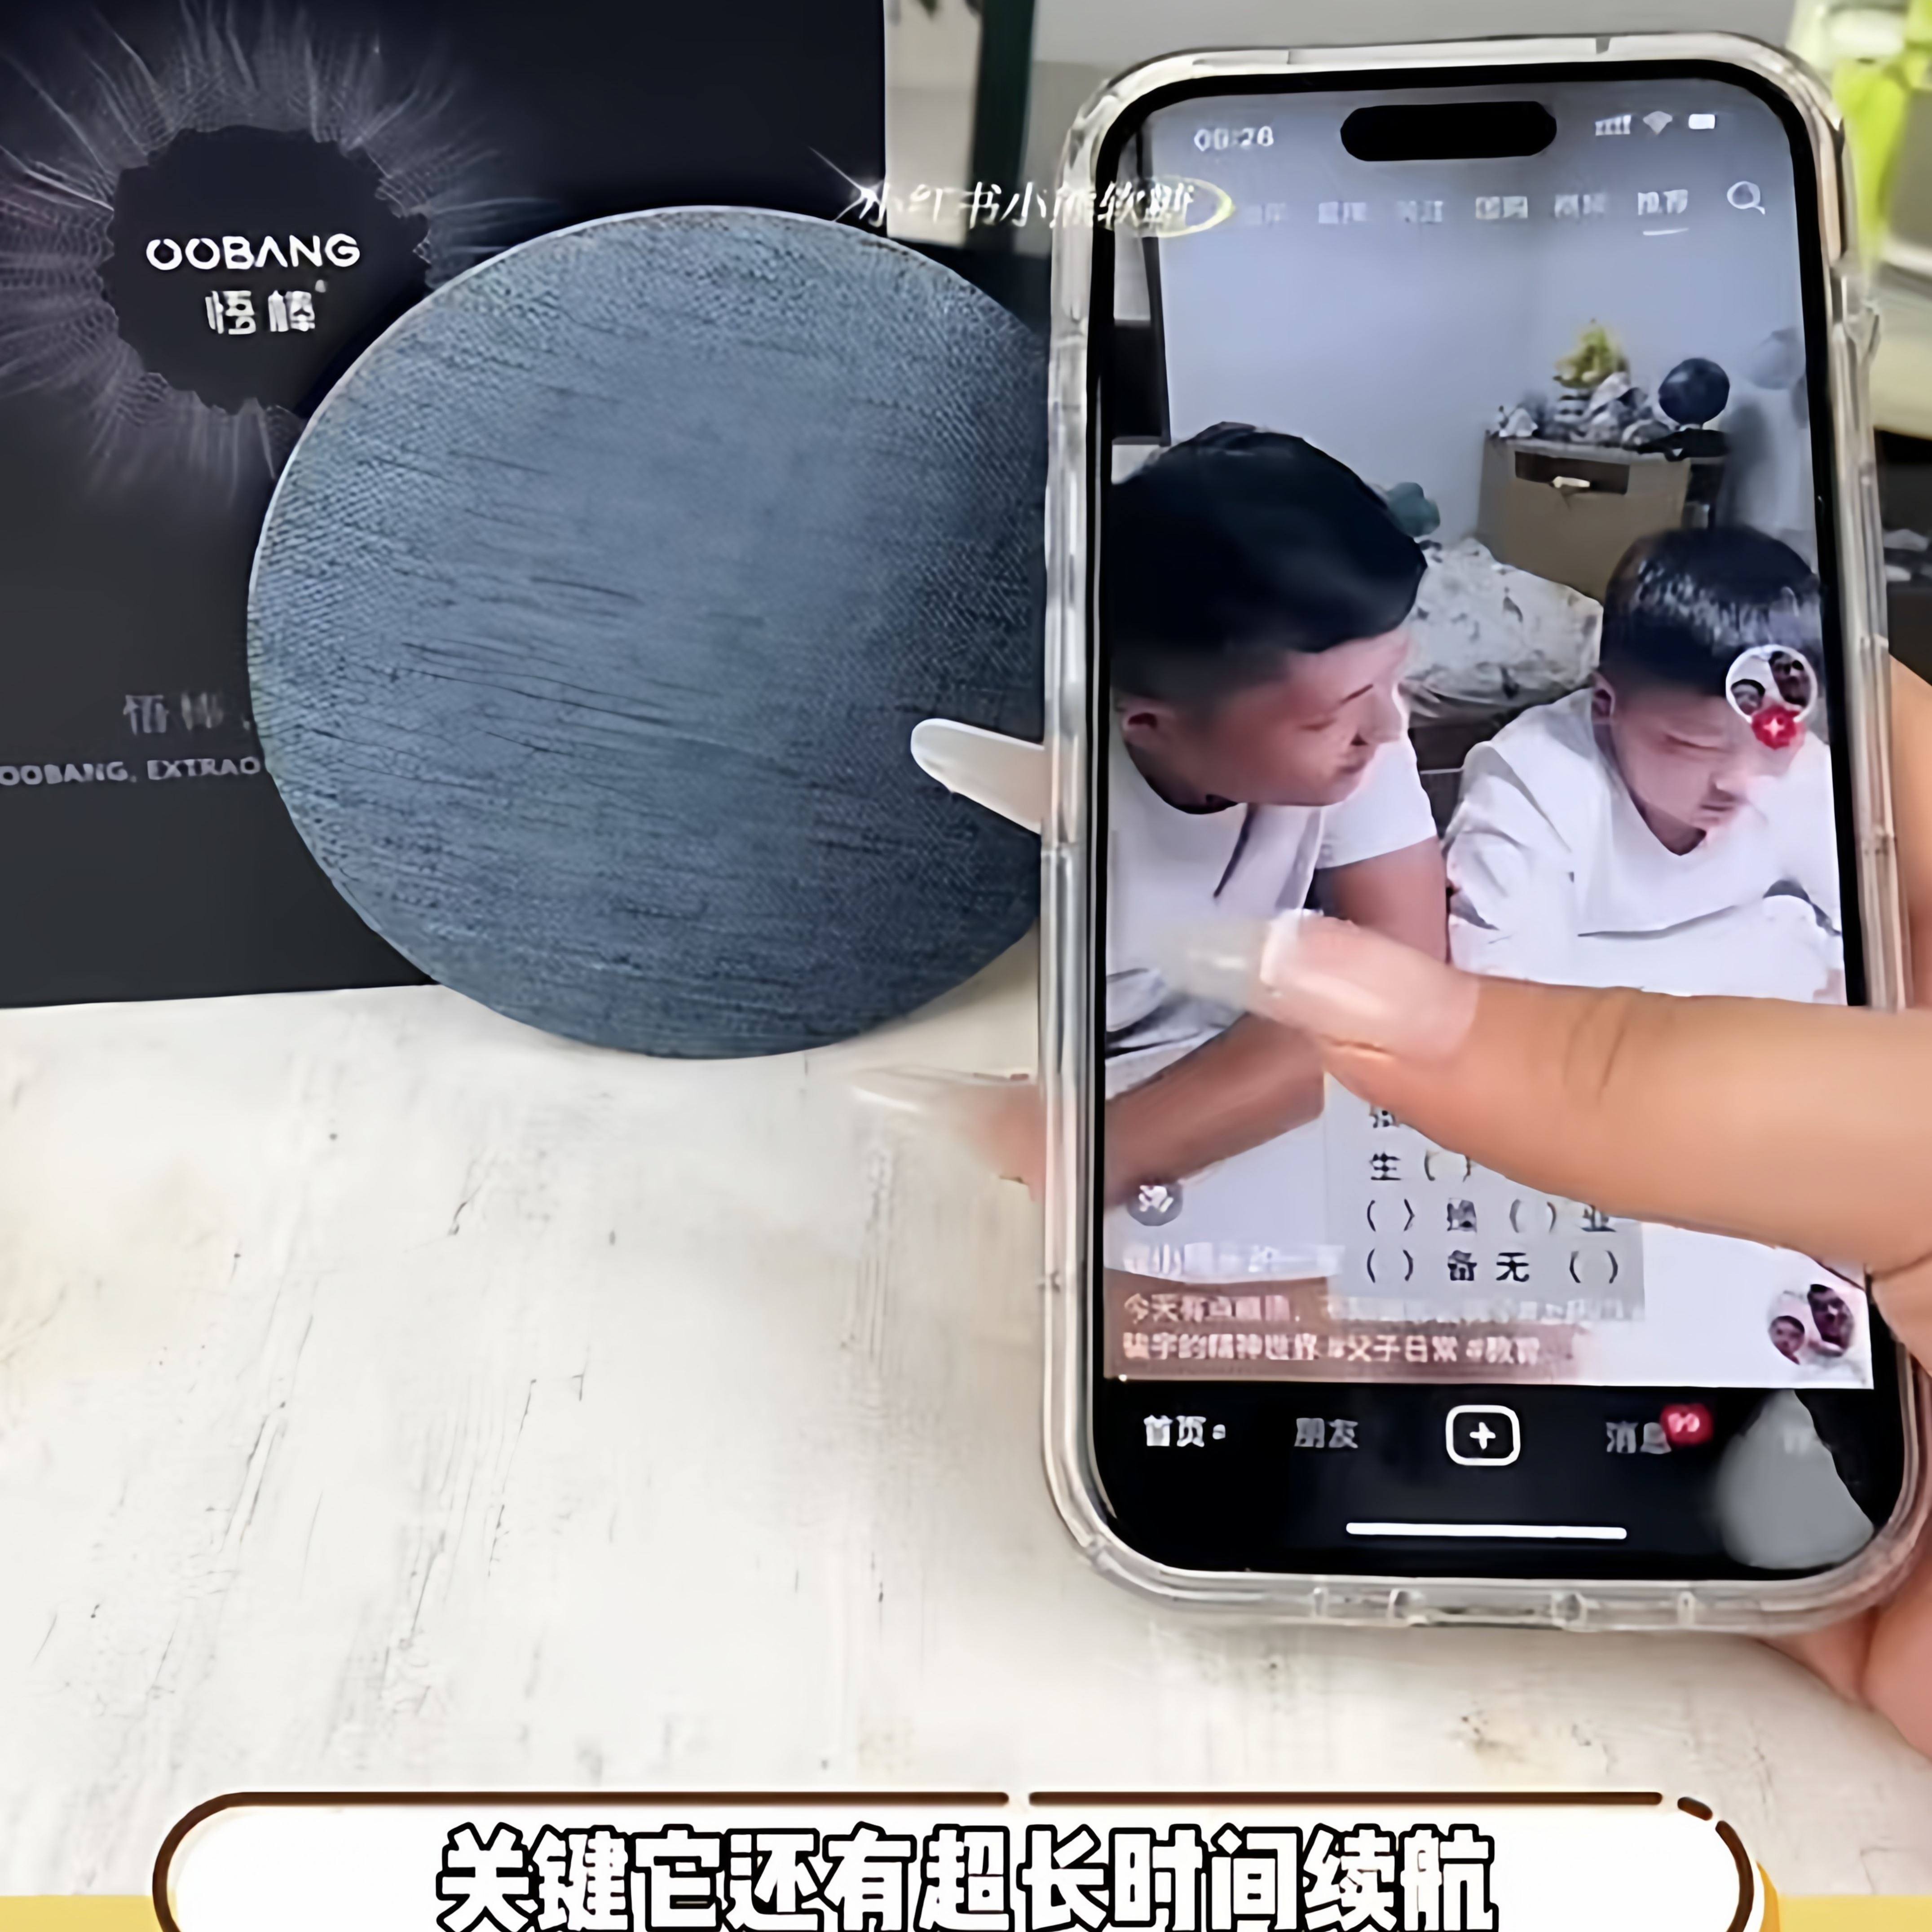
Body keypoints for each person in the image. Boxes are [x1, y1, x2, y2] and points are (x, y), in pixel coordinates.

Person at [1151, 659, 1932, 1755]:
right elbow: (1484, 988)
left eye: (1390, 687)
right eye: (1688, 748)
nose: (1729, 785)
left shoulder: (1781, 783)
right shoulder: (1535, 780)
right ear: (1609, 711)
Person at [1100, 423, 1447, 1208]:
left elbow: (1402, 978)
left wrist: (1109, 1151)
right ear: (1152, 725)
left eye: (1392, 677)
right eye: (1329, 716)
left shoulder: (1364, 728)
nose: (1386, 726)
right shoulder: (1061, 805)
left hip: (1218, 1097)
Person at [1444, 528, 1843, 1000]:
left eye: (1775, 739)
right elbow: (1507, 1008)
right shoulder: (1532, 789)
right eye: (1697, 746)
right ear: (1606, 705)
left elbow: (1877, 942)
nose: (1741, 781)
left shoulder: (1806, 772)